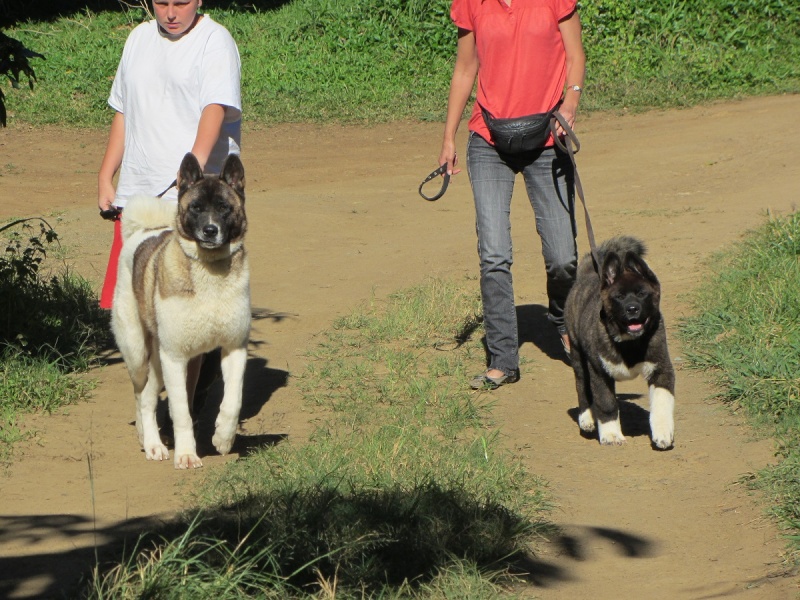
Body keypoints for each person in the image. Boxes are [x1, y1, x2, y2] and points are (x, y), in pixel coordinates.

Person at [437, 0, 586, 389]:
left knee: (562, 257)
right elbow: (466, 68)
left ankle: (564, 320)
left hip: (547, 140)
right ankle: (503, 358)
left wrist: (570, 105)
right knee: (494, 253)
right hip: (489, 141)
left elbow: (575, 57)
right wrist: (448, 137)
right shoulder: (471, 4)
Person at [97, 0, 242, 310]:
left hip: (187, 203)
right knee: (135, 311)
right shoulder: (139, 37)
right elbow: (124, 111)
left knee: (190, 308)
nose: (171, 13)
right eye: (161, 3)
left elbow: (214, 108)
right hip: (137, 197)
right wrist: (106, 175)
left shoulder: (214, 41)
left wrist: (192, 177)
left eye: (181, 3)